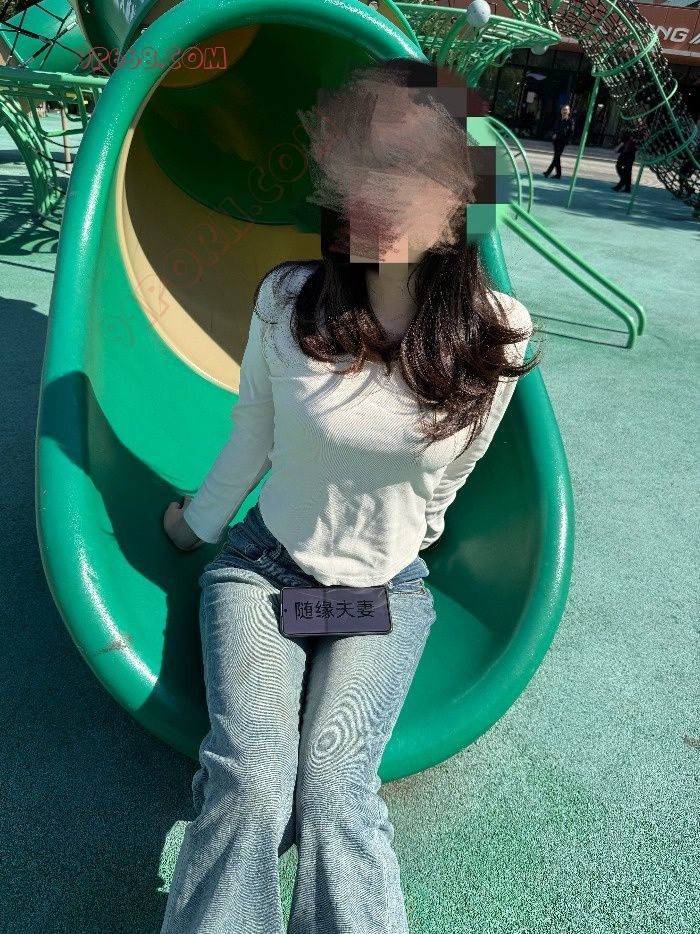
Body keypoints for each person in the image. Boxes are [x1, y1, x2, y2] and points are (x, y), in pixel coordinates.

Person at [160, 56, 541, 934]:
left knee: (335, 790)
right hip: (265, 575)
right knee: (253, 783)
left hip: (383, 593)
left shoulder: (498, 334)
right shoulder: (288, 300)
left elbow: (460, 465)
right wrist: (193, 525)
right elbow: (252, 435)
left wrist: (412, 532)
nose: (378, 194)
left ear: (465, 197)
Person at [543, 103, 575, 179]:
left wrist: (567, 141)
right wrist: (553, 134)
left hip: (562, 142)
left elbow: (571, 132)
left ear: (569, 111)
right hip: (556, 141)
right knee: (557, 158)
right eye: (563, 110)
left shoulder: (570, 121)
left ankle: (548, 172)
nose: (564, 111)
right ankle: (558, 174)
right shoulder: (558, 120)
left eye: (566, 110)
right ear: (561, 111)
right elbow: (554, 129)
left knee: (556, 157)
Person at [612, 128, 637, 193]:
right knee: (619, 167)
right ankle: (627, 186)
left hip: (631, 154)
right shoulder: (626, 134)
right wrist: (620, 145)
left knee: (627, 171)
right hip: (624, 154)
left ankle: (621, 186)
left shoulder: (636, 133)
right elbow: (617, 149)